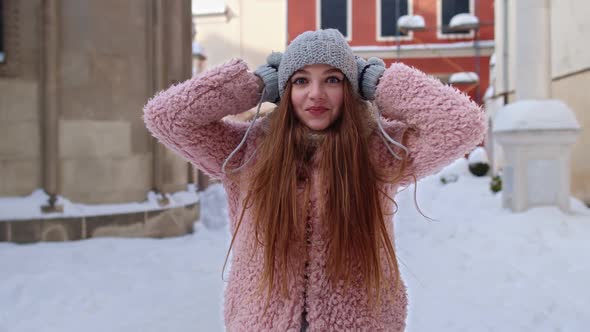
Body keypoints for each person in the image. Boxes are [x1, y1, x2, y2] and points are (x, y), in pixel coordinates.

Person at [143, 29, 486, 331]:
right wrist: (254, 85)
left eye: (333, 80)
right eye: (301, 80)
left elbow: (462, 123)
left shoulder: (379, 151)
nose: (316, 94)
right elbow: (167, 116)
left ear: (351, 89)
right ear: (285, 89)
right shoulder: (245, 151)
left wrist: (379, 83)